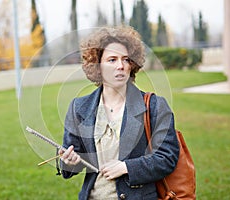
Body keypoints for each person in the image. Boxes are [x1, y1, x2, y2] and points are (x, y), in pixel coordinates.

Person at [58, 26, 179, 200]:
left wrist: (126, 167)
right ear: (98, 66)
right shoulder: (79, 107)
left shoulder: (155, 106)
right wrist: (69, 162)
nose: (120, 66)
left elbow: (167, 158)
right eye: (112, 60)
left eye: (126, 60)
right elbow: (71, 164)